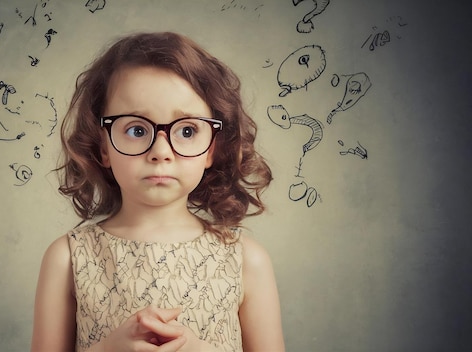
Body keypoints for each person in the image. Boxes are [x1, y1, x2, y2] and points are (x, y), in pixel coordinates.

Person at [31, 31, 285, 352]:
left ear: (211, 149)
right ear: (103, 145)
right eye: (137, 129)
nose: (161, 151)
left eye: (187, 130)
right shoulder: (66, 258)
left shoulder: (248, 260)